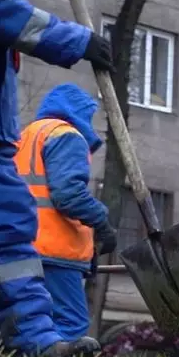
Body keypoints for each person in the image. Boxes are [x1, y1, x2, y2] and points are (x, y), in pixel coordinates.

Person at [0, 0, 115, 357]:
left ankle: (33, 339)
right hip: (62, 254)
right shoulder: (64, 137)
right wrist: (74, 39)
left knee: (8, 231)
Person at [15, 84, 116, 342]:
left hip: (17, 246)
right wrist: (101, 221)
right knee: (70, 322)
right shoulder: (66, 135)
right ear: (78, 112)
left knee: (26, 320)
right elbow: (68, 195)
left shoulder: (23, 137)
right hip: (54, 249)